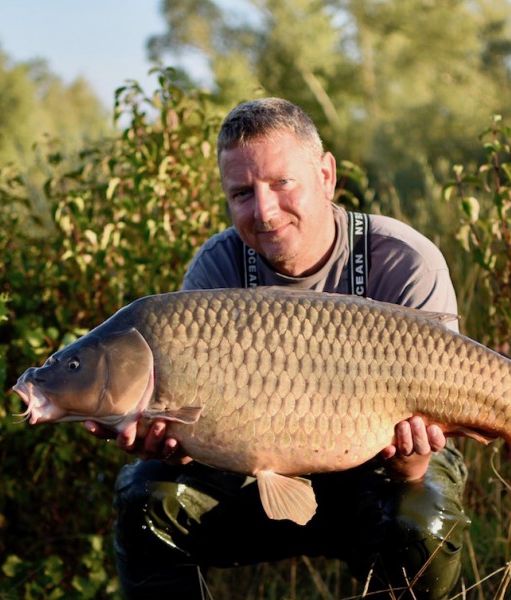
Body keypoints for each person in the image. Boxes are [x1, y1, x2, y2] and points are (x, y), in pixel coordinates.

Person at [87, 98, 470, 599]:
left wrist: (411, 464)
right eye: (242, 192)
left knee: (423, 521)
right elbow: (196, 435)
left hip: (382, 473)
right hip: (251, 480)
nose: (264, 211)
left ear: (326, 174)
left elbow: (432, 436)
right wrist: (171, 450)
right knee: (146, 495)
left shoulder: (404, 260)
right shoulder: (217, 271)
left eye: (281, 183)